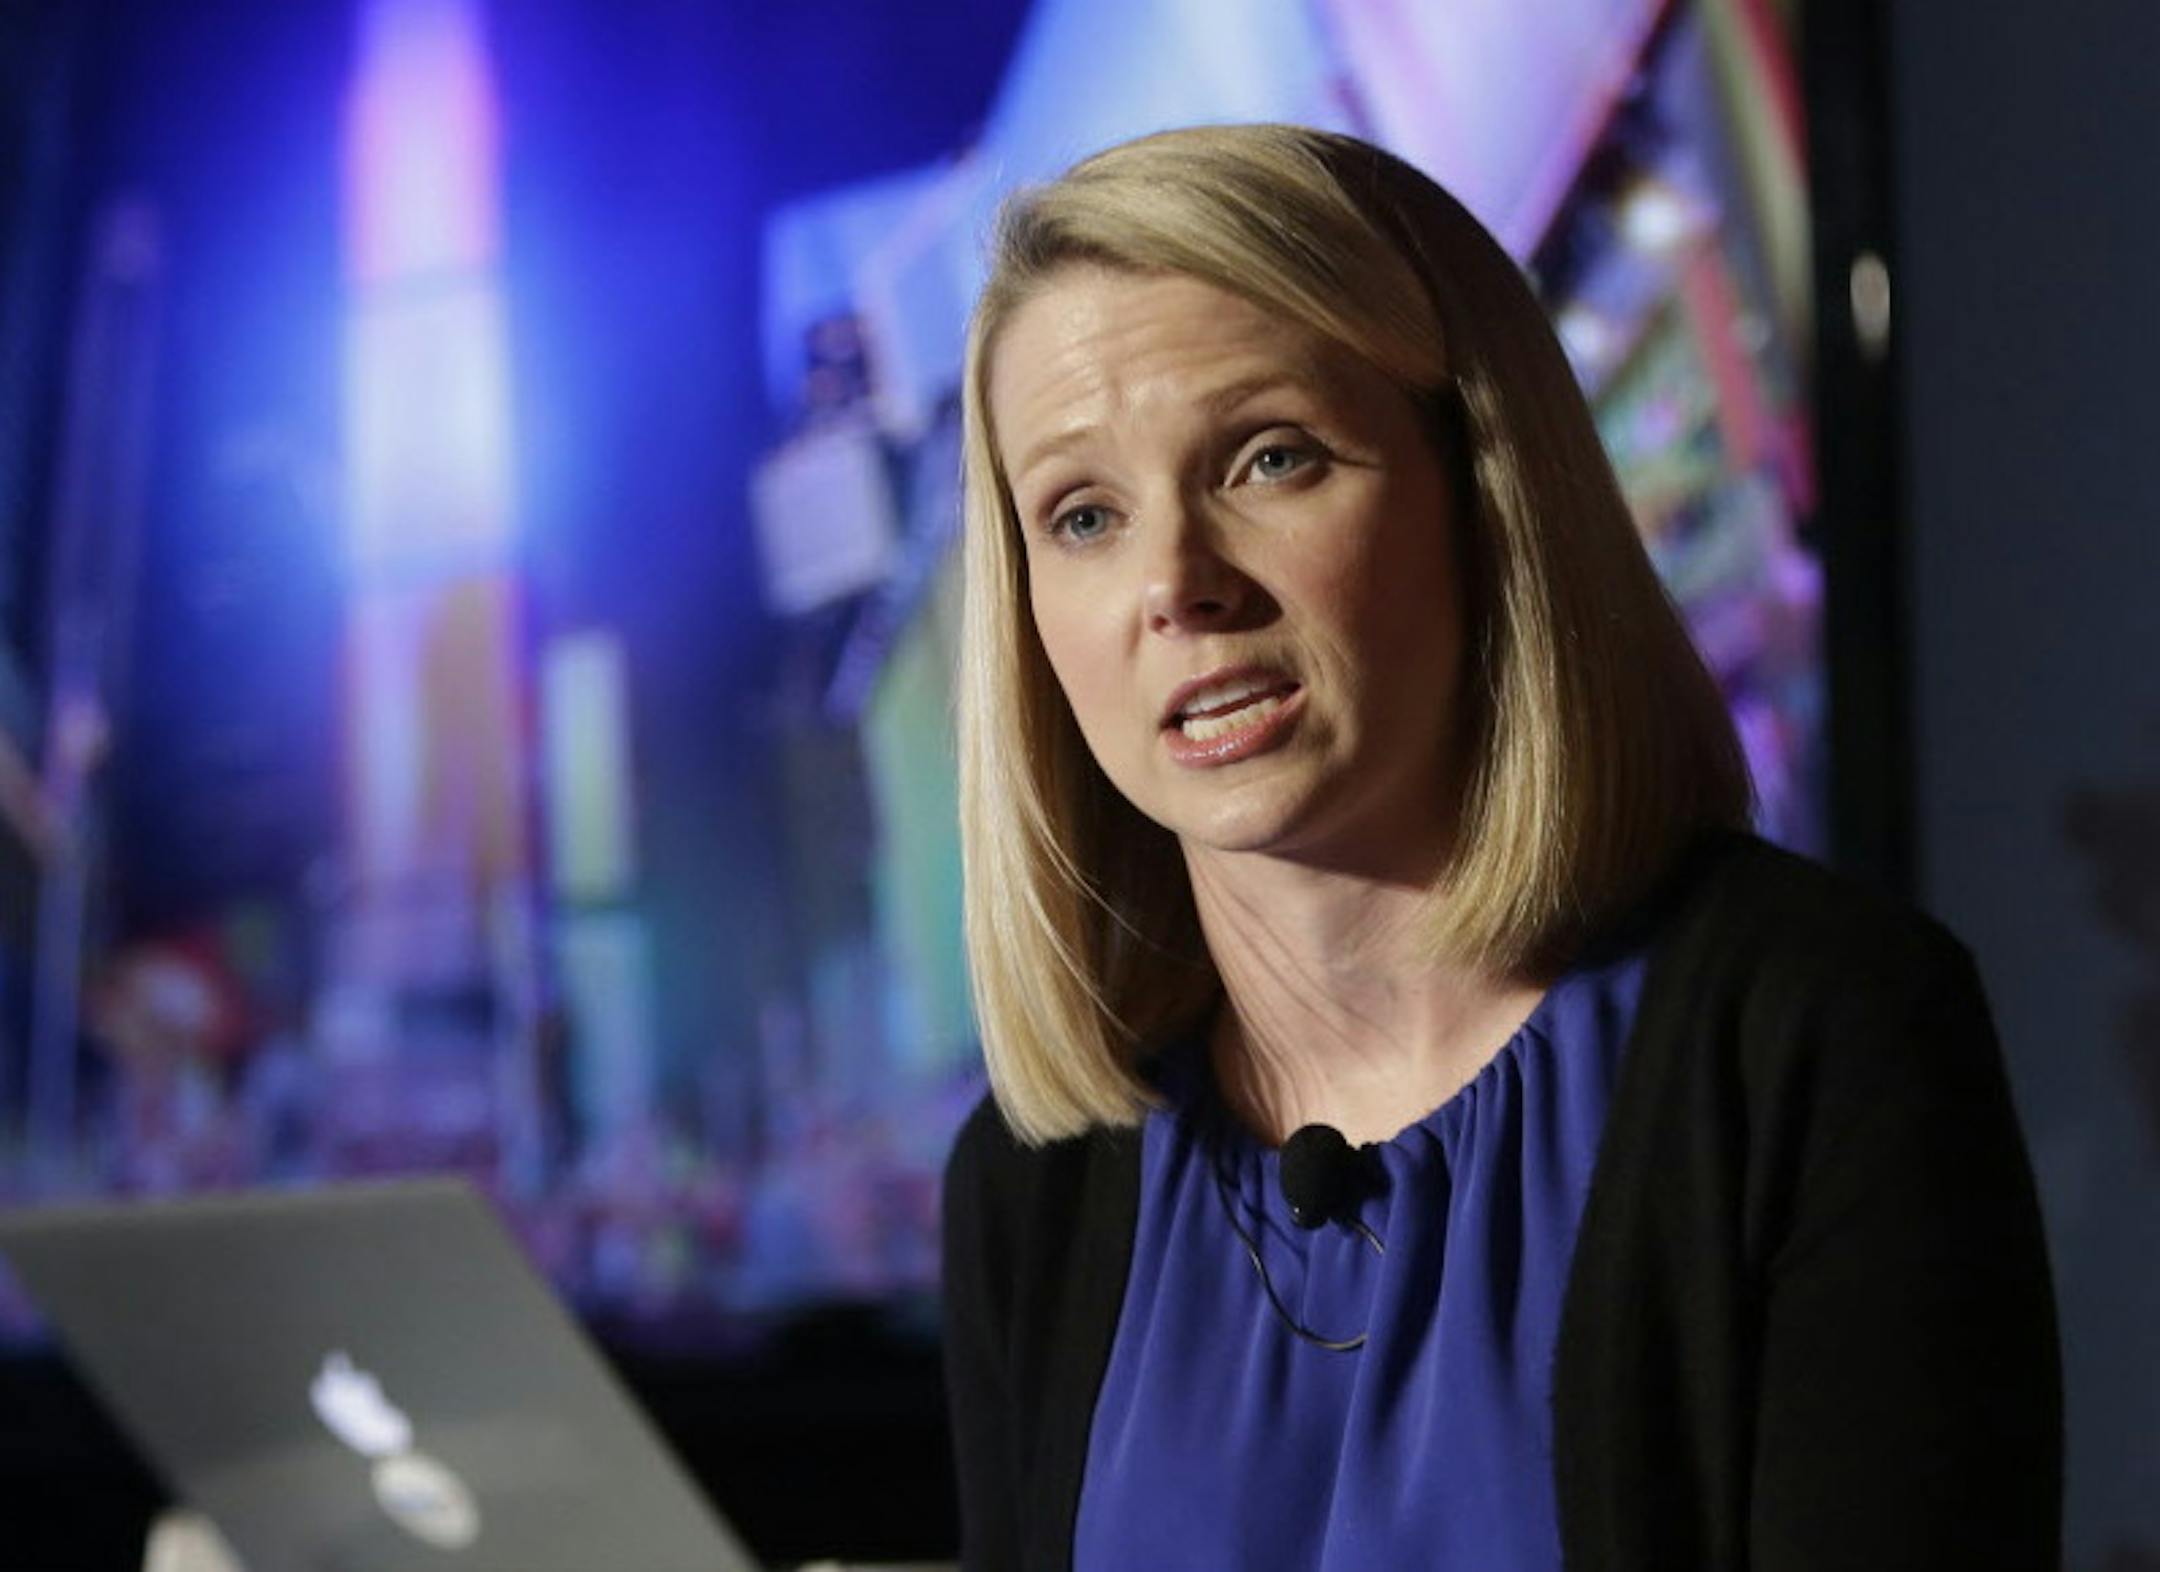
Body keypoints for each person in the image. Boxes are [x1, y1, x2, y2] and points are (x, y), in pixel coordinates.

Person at [939, 123, 2060, 1571]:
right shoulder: (1036, 1186)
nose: (1175, 583)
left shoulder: (1815, 1036)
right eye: (1082, 514)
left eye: (1271, 459)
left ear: (1486, 488)